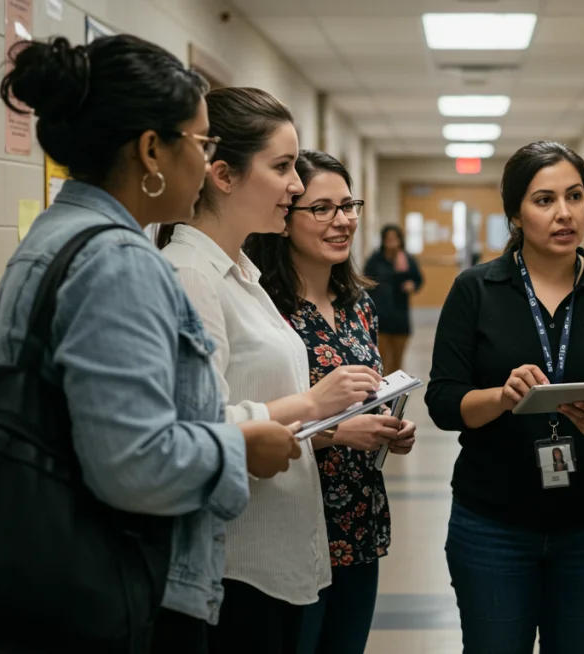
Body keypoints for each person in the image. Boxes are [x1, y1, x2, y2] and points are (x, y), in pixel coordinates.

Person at [0, 35, 303, 654]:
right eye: (201, 144)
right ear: (152, 150)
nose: (207, 164)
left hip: (54, 574)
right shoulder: (118, 262)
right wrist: (241, 445)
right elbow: (133, 464)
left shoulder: (57, 235)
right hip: (118, 588)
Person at [159, 88, 384, 654]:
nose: (296, 186)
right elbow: (188, 432)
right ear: (223, 176)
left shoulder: (240, 274)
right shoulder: (190, 275)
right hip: (236, 565)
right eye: (282, 167)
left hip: (280, 559)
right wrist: (314, 405)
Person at [425, 141, 584, 654]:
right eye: (544, 200)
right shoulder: (476, 291)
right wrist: (500, 397)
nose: (564, 213)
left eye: (575, 196)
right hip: (492, 526)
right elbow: (442, 402)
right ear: (515, 214)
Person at [246, 149, 417, 654]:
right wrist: (339, 434)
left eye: (348, 205)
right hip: (293, 522)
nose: (342, 221)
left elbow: (364, 394)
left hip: (359, 518)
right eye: (321, 208)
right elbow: (248, 421)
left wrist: (387, 425)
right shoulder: (264, 310)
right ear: (285, 217)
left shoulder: (359, 305)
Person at [363, 224, 423, 374]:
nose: (391, 242)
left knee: (397, 362)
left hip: (400, 315)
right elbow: (366, 282)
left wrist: (412, 285)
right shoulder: (375, 260)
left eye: (395, 238)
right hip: (379, 316)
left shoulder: (407, 259)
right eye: (388, 238)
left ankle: (397, 388)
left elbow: (418, 279)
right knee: (381, 361)